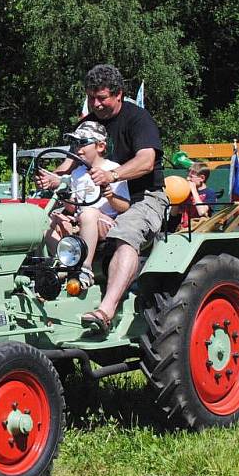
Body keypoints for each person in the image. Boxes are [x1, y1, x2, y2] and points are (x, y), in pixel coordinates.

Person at [39, 64, 166, 335]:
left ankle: (105, 310)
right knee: (46, 220)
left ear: (119, 94)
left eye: (102, 98)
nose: (96, 104)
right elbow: (70, 163)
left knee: (126, 232)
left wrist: (113, 174)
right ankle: (54, 287)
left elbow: (146, 161)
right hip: (99, 201)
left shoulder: (138, 119)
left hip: (142, 197)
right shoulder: (87, 125)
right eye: (91, 97)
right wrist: (51, 180)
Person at [40, 121, 130, 287]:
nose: (77, 149)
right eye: (75, 143)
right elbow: (74, 207)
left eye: (82, 143)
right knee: (45, 221)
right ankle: (64, 263)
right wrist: (66, 199)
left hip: (105, 224)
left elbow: (124, 206)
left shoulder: (113, 169)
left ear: (100, 146)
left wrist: (110, 196)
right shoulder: (77, 173)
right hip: (81, 220)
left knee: (89, 213)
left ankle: (86, 268)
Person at [170, 162, 217, 229]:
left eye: (191, 177)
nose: (187, 179)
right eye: (188, 176)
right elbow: (173, 213)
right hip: (183, 228)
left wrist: (194, 190)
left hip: (200, 228)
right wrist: (177, 195)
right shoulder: (185, 192)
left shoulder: (209, 193)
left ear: (202, 178)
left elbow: (202, 212)